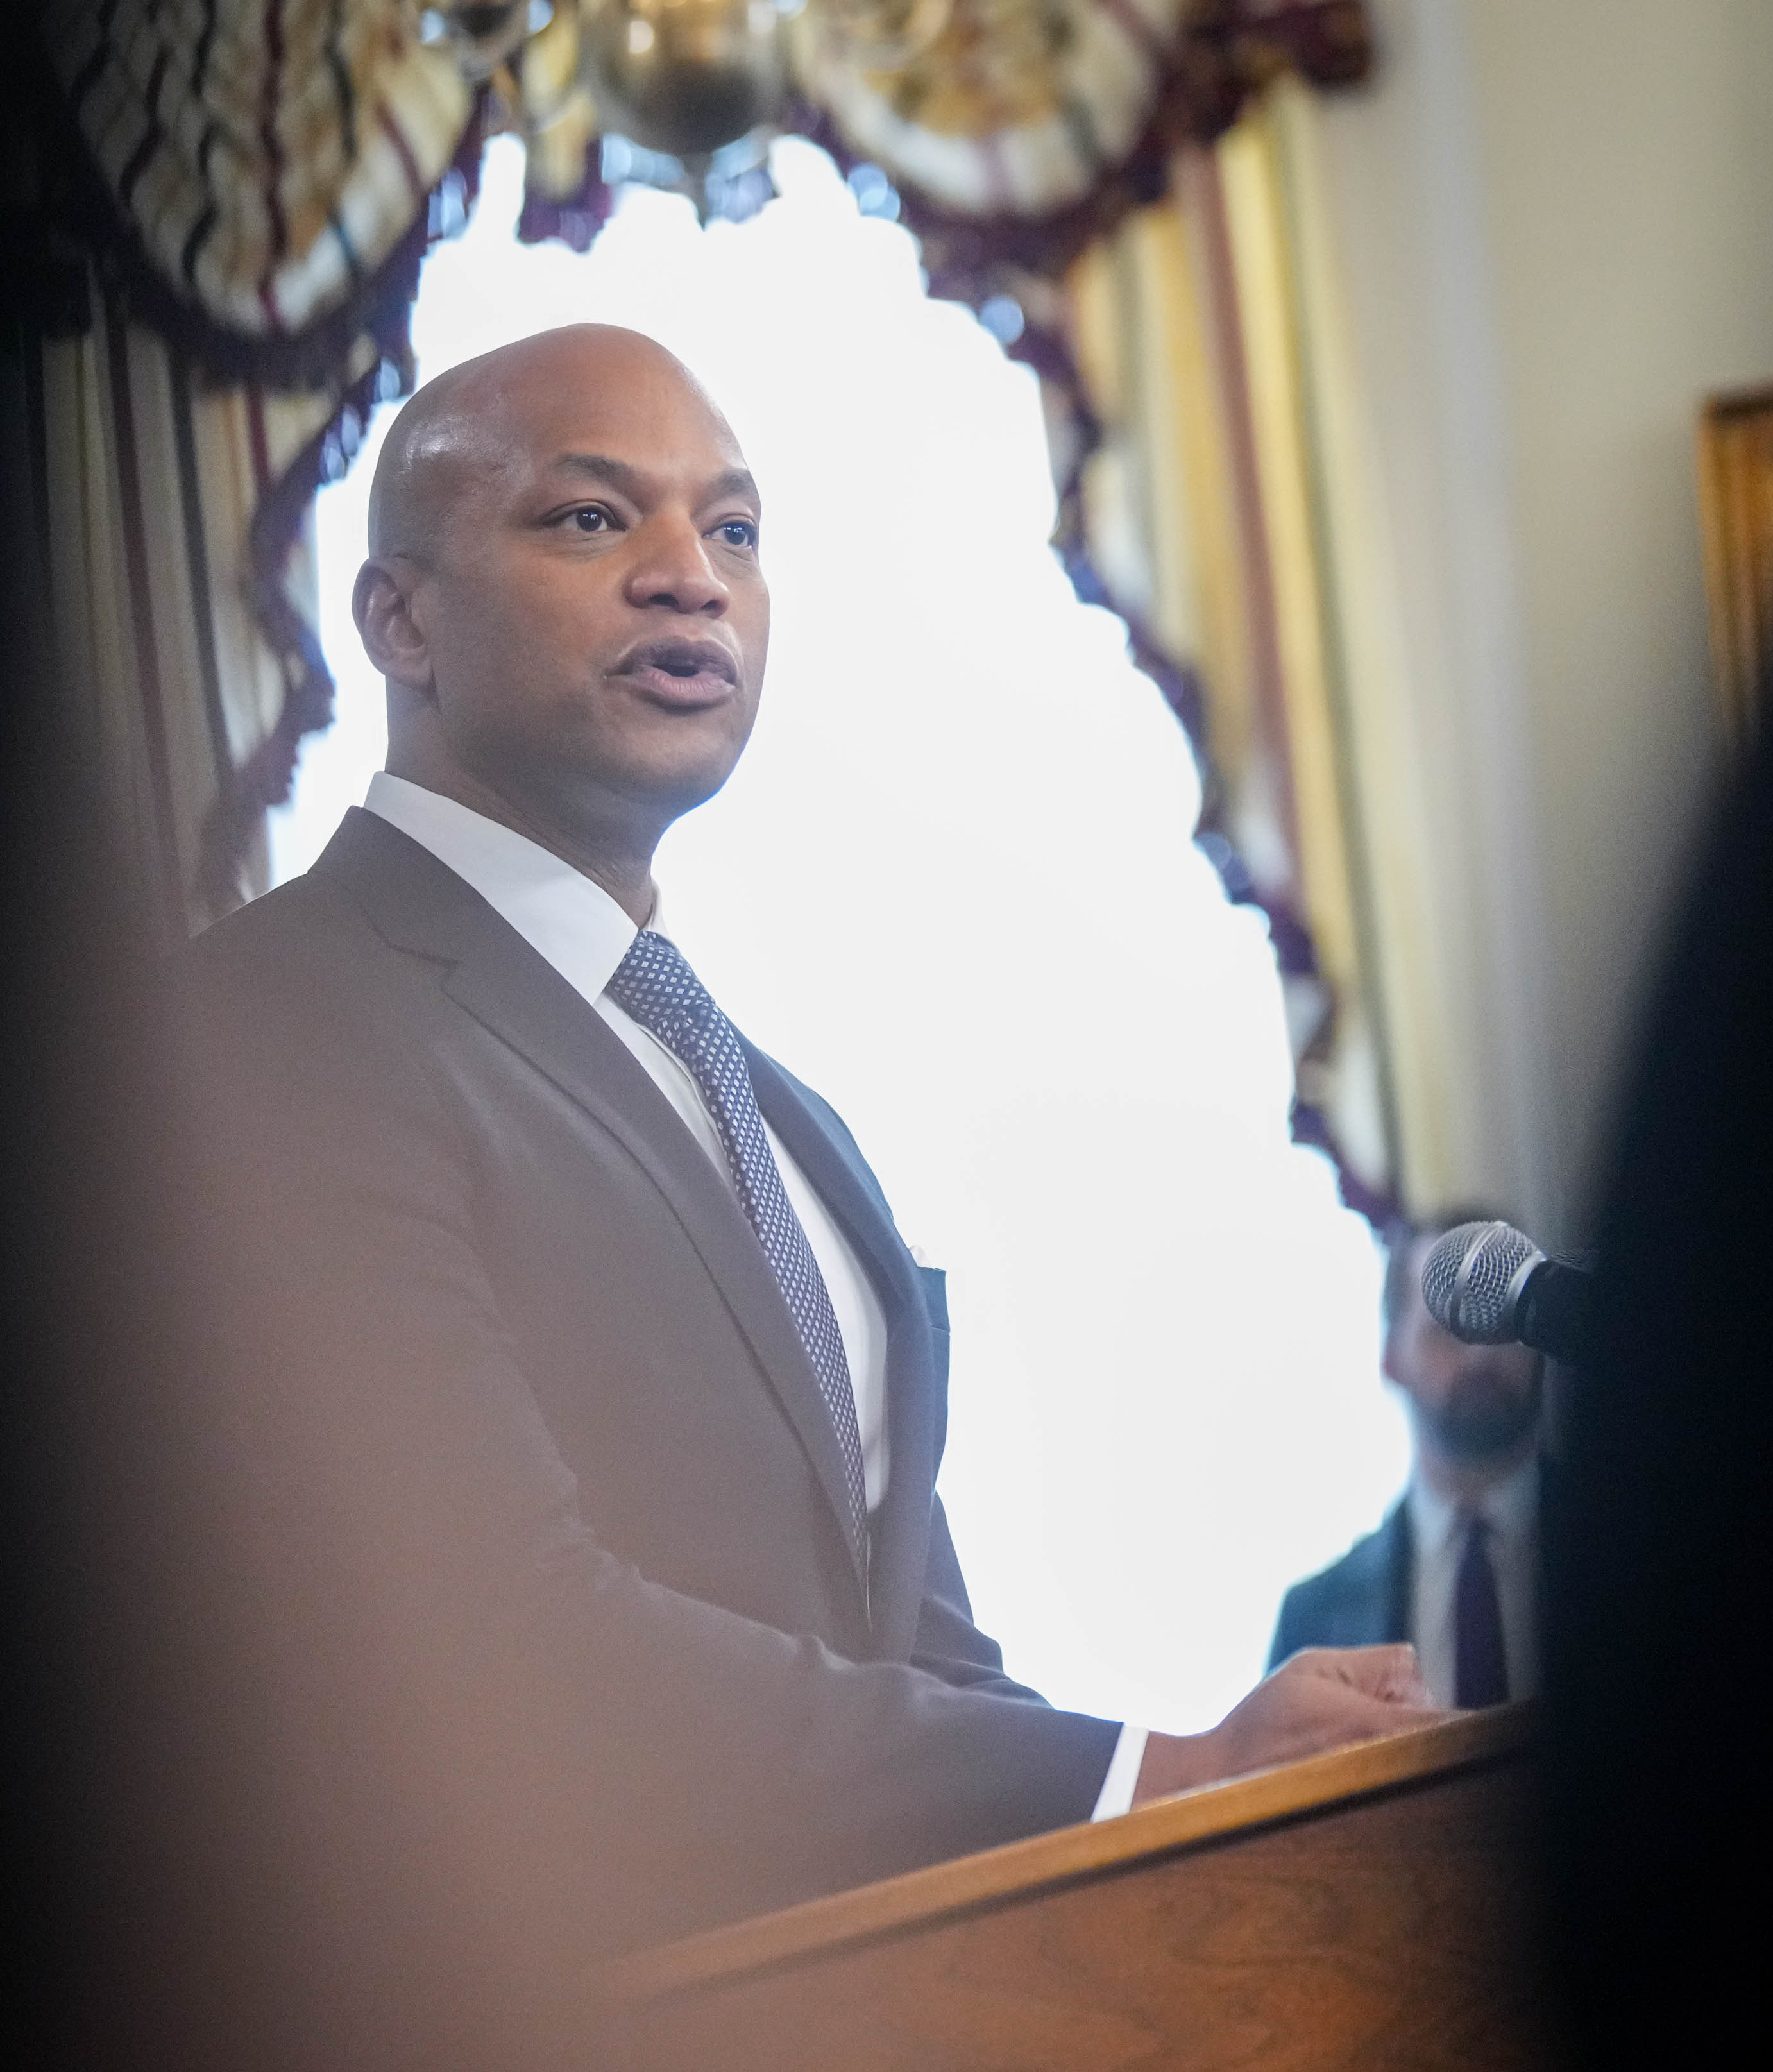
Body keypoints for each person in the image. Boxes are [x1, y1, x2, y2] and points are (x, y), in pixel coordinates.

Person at [172, 324, 1437, 1972]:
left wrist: (1227, 1793)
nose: (690, 578)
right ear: (397, 618)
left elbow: (918, 1668)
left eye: (738, 530)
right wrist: (1149, 1771)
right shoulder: (276, 1017)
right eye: (591, 518)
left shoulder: (780, 1111)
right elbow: (497, 1638)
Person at [1269, 1212, 1544, 1706]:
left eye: (1503, 1323)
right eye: (1449, 1328)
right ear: (1391, 1358)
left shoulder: (1637, 1539)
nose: (1480, 1356)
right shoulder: (1314, 1620)